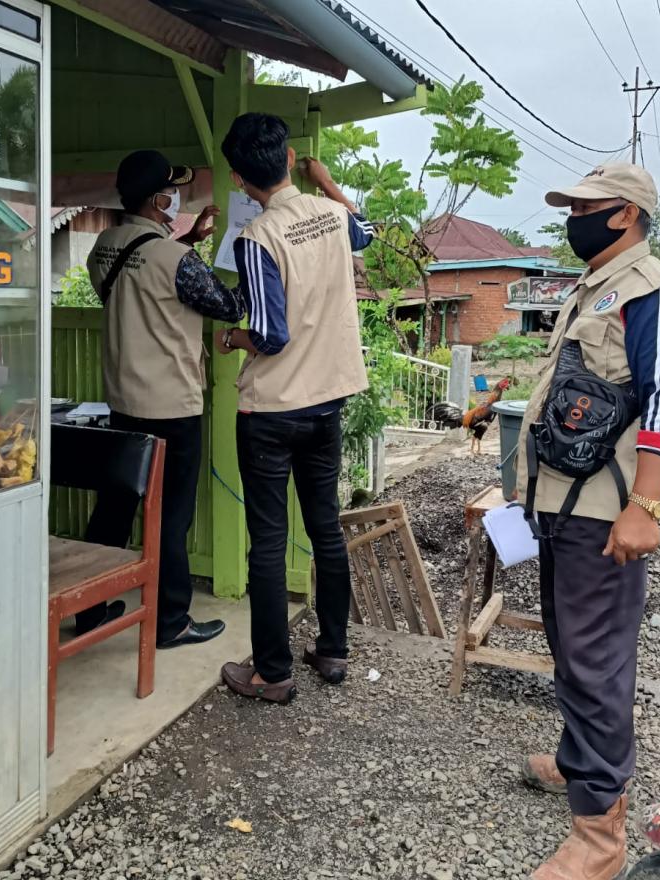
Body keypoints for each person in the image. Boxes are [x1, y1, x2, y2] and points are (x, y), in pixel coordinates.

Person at [516, 163, 660, 880]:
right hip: (561, 503)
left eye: (585, 207)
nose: (573, 218)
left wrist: (644, 507)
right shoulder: (596, 287)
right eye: (572, 208)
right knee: (571, 647)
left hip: (604, 515)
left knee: (595, 661)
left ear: (625, 214)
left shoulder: (654, 294)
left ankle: (599, 837)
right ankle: (578, 761)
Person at [214, 113, 374, 704]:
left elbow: (269, 335)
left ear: (238, 179)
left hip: (272, 410)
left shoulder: (256, 238)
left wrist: (230, 339)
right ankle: (332, 651)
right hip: (327, 402)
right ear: (287, 160)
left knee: (268, 540)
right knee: (324, 525)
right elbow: (367, 233)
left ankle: (273, 673)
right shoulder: (333, 215)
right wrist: (327, 181)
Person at [79, 149, 246, 649]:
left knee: (115, 507)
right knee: (171, 516)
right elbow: (228, 305)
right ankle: (171, 621)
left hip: (123, 403)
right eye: (172, 191)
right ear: (157, 200)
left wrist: (187, 241)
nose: (177, 198)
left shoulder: (103, 247)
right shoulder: (176, 260)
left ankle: (87, 608)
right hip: (172, 408)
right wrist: (244, 259)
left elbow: (141, 279)